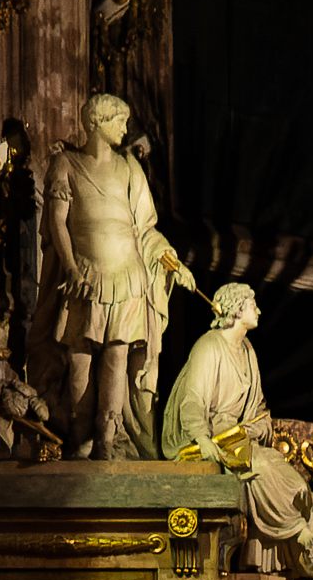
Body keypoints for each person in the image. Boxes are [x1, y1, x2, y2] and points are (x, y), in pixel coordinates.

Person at [32, 91, 195, 460]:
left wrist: (170, 260)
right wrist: (71, 268)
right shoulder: (66, 164)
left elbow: (145, 228)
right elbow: (57, 223)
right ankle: (80, 432)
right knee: (80, 356)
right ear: (98, 122)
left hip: (129, 278)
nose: (125, 128)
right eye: (119, 121)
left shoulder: (129, 168)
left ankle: (107, 435)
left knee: (117, 355)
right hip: (85, 276)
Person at [161, 283, 313, 580]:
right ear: (236, 309)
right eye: (252, 304)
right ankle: (296, 530)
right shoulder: (209, 346)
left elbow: (258, 407)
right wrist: (201, 437)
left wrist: (258, 425)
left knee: (292, 478)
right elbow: (192, 400)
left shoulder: (247, 350)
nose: (258, 310)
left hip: (238, 438)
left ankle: (303, 557)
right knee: (260, 468)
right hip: (210, 438)